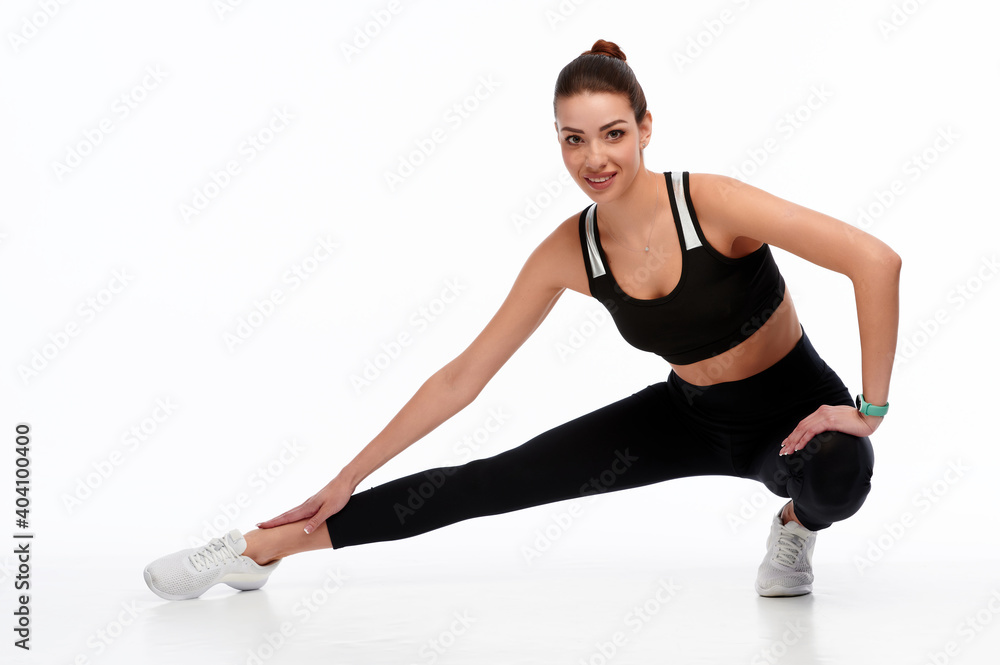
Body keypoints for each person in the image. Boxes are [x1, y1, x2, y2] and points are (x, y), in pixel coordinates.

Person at [143, 39, 899, 601]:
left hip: (795, 411)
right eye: (574, 139)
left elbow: (875, 261)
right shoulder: (569, 252)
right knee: (490, 482)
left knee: (840, 472)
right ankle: (257, 550)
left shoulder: (712, 204)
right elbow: (463, 376)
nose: (594, 158)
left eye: (612, 134)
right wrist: (348, 474)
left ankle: (797, 528)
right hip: (686, 413)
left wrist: (867, 409)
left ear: (643, 127)